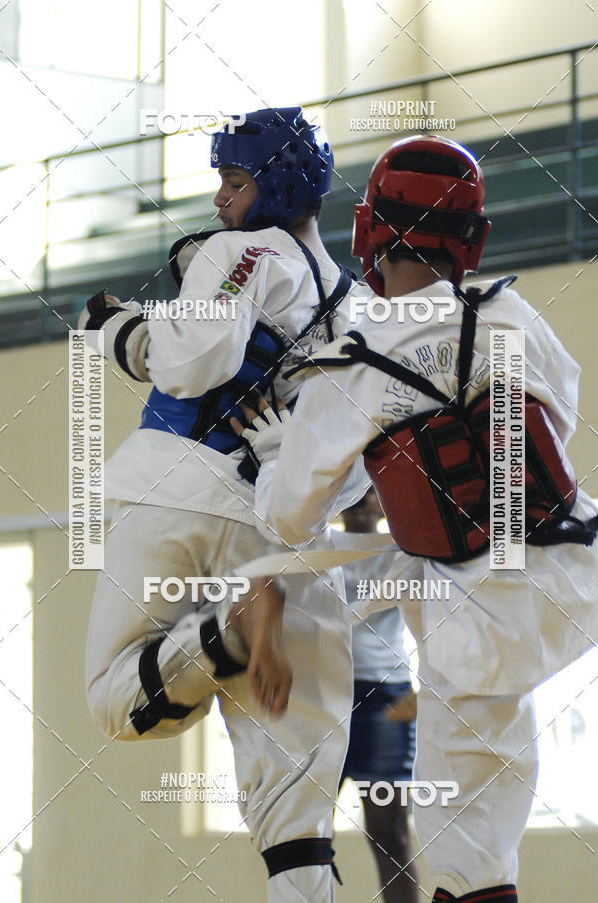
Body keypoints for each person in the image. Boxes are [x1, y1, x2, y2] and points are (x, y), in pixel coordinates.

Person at [253, 135, 598, 902]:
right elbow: (560, 417)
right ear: (471, 239)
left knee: (468, 868)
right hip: (576, 569)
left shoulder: (353, 359)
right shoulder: (511, 310)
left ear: (368, 227)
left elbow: (285, 517)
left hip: (477, 624)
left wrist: (283, 452)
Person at [79, 106, 371, 903]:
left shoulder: (240, 252)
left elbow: (191, 361)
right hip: (280, 535)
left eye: (233, 182)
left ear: (274, 187)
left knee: (114, 697)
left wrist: (123, 332)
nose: (219, 200)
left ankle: (220, 637)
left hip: (170, 490)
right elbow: (354, 472)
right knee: (296, 806)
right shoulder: (363, 313)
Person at [338, 489, 418, 903]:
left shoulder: (401, 550)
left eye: (370, 489)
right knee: (305, 833)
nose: (359, 498)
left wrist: (431, 692)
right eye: (349, 488)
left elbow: (438, 619)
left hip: (387, 698)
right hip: (325, 696)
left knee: (389, 833)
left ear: (384, 499)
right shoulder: (317, 547)